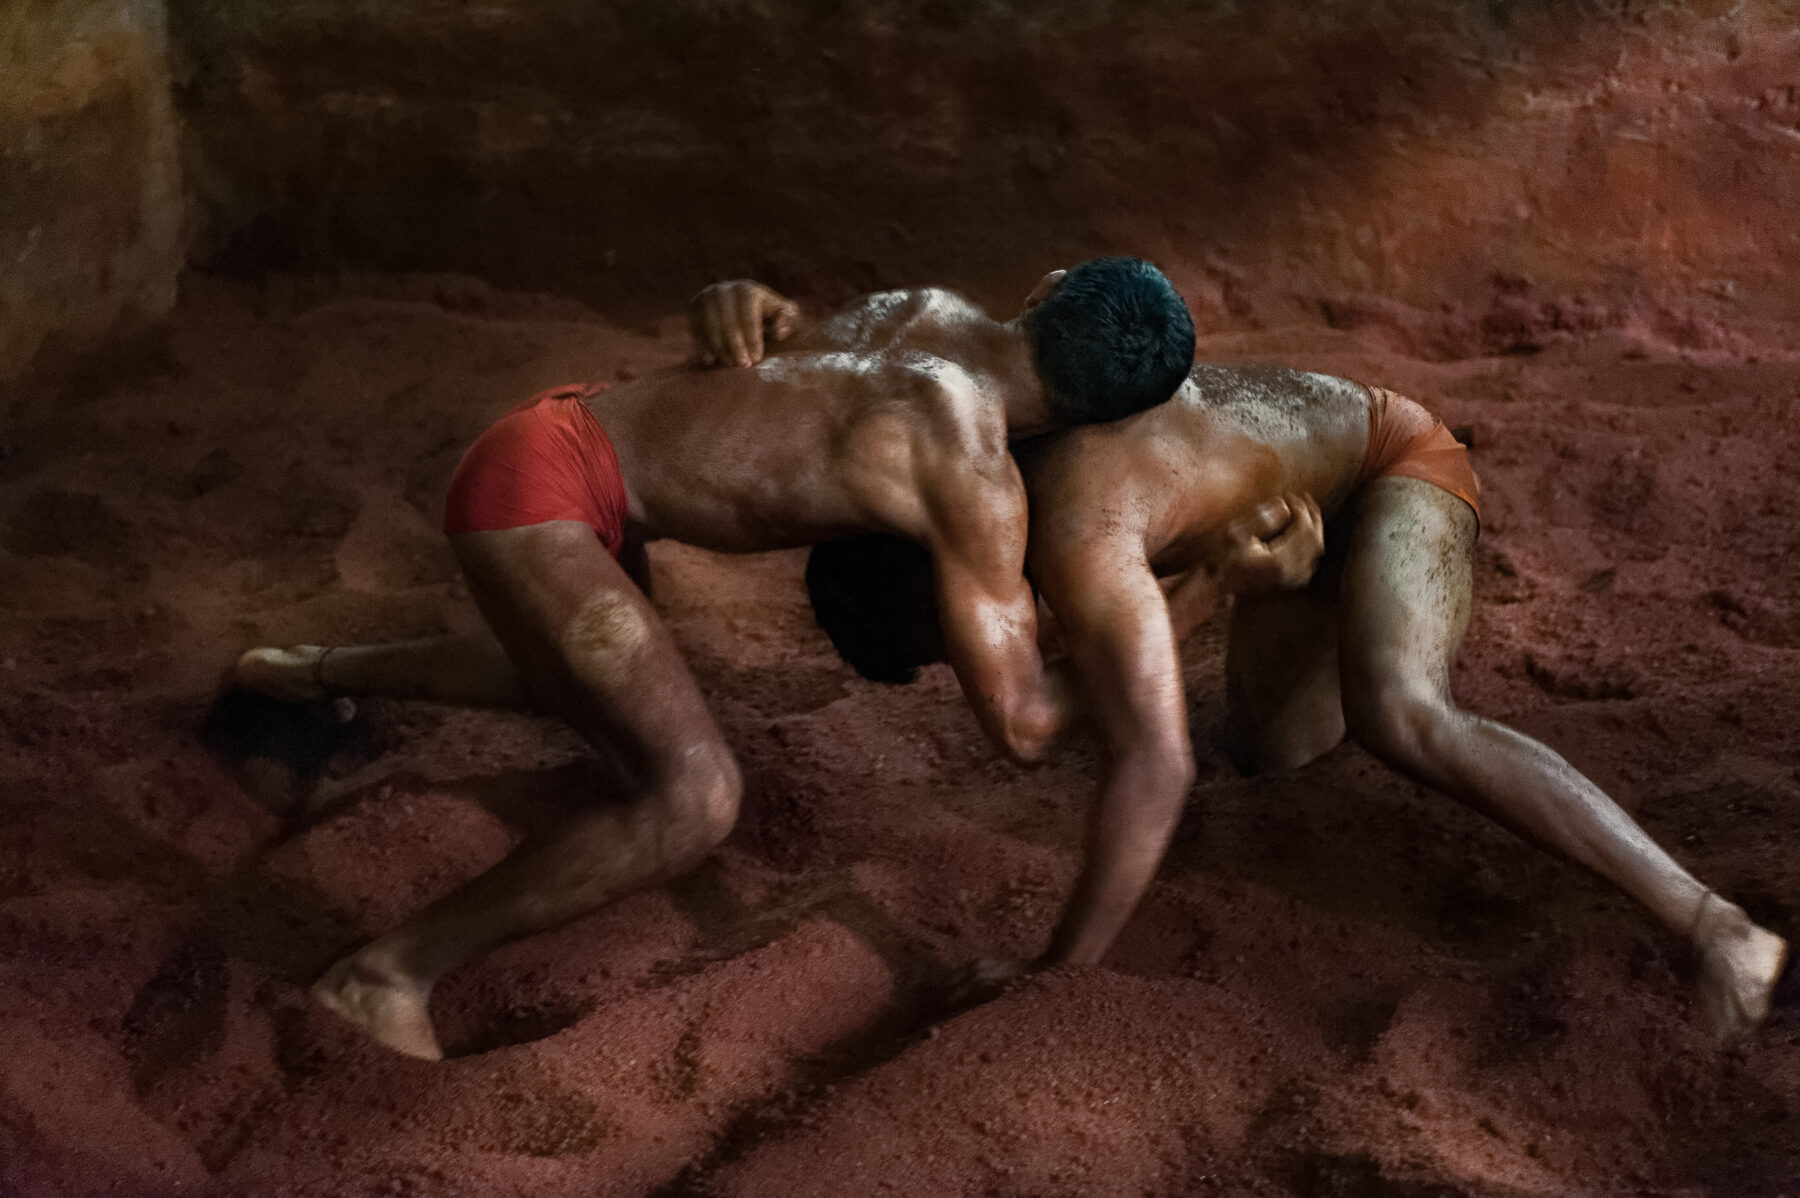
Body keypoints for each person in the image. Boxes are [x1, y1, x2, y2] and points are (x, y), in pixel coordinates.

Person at [231, 259, 1198, 1059]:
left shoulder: (922, 306)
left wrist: (737, 296)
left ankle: (301, 671)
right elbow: (1024, 727)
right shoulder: (975, 478)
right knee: (694, 798)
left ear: (1045, 288)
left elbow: (774, 358)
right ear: (1089, 423)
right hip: (542, 499)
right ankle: (384, 973)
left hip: (557, 431)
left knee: (575, 687)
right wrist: (1200, 595)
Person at [804, 359, 1788, 1042]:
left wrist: (1059, 966)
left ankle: (1717, 927)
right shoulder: (981, 459)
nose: (991, 643)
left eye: (966, 637)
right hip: (1295, 522)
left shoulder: (1073, 531)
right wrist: (1216, 586)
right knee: (1273, 755)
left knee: (1402, 713)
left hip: (1398, 467)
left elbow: (1153, 765)